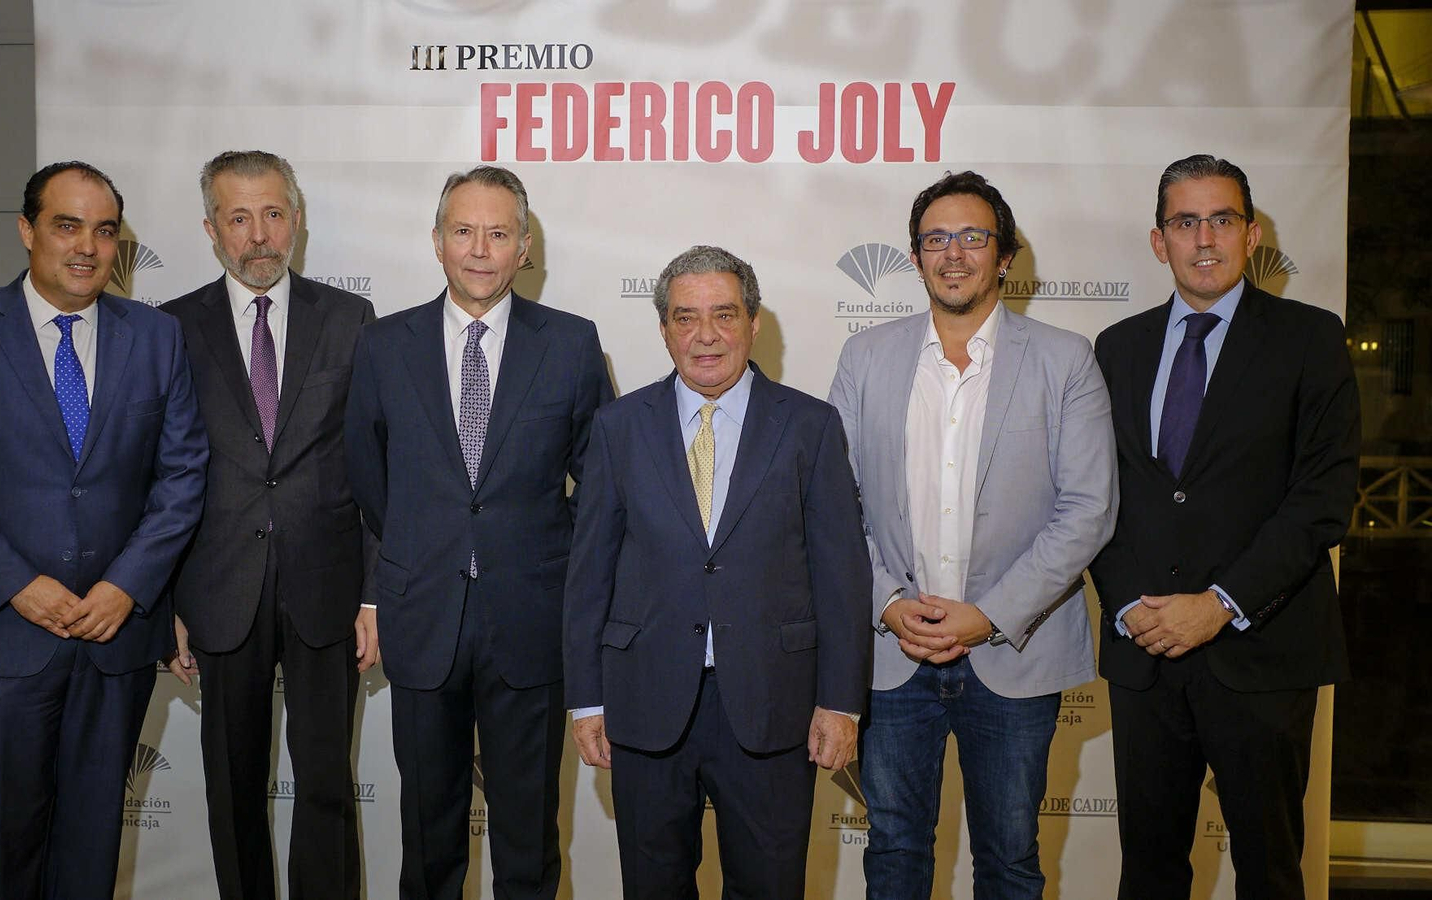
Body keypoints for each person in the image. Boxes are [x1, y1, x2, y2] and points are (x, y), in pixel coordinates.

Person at [0, 161, 207, 900]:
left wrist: (127, 587)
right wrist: (18, 585)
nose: (87, 248)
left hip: (114, 640)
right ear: (27, 229)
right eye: (67, 226)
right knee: (3, 856)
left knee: (91, 853)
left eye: (104, 231)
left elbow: (184, 475)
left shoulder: (157, 337)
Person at [828, 171, 1117, 899]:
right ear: (916, 256)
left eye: (973, 236)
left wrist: (987, 614)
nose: (953, 253)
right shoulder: (864, 359)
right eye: (935, 238)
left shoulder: (1064, 360)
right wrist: (888, 604)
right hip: (892, 654)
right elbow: (833, 506)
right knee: (892, 855)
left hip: (1015, 653)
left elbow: (1088, 509)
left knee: (1011, 860)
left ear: (1006, 256)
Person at [1090, 153, 1360, 898]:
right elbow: (1096, 498)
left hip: (1262, 651)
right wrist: (1129, 608)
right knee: (1148, 871)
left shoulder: (1310, 338)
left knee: (1269, 871)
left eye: (1222, 219)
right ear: (1159, 241)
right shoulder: (1118, 348)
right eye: (1185, 221)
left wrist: (1219, 605)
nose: (1204, 237)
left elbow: (1322, 498)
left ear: (1252, 232)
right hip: (1145, 654)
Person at [565, 245, 871, 900]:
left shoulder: (810, 427)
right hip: (644, 704)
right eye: (686, 317)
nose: (705, 335)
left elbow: (841, 576)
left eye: (724, 315)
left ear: (754, 322)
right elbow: (589, 572)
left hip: (773, 706)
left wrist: (841, 702)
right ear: (665, 328)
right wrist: (587, 698)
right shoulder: (618, 427)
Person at [343, 164, 613, 900]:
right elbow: (368, 479)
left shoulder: (572, 344)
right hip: (422, 617)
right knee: (429, 837)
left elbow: (601, 489)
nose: (480, 248)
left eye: (499, 233)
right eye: (464, 230)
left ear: (525, 247)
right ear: (437, 242)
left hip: (530, 622)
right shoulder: (384, 345)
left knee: (527, 836)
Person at [160, 150, 376, 900]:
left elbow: (373, 466)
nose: (259, 235)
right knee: (233, 790)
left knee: (325, 785)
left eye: (274, 214)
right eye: (239, 217)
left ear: (298, 219)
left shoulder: (349, 319)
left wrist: (374, 594)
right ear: (212, 228)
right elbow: (160, 476)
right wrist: (167, 603)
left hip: (328, 589)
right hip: (218, 592)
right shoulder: (171, 328)